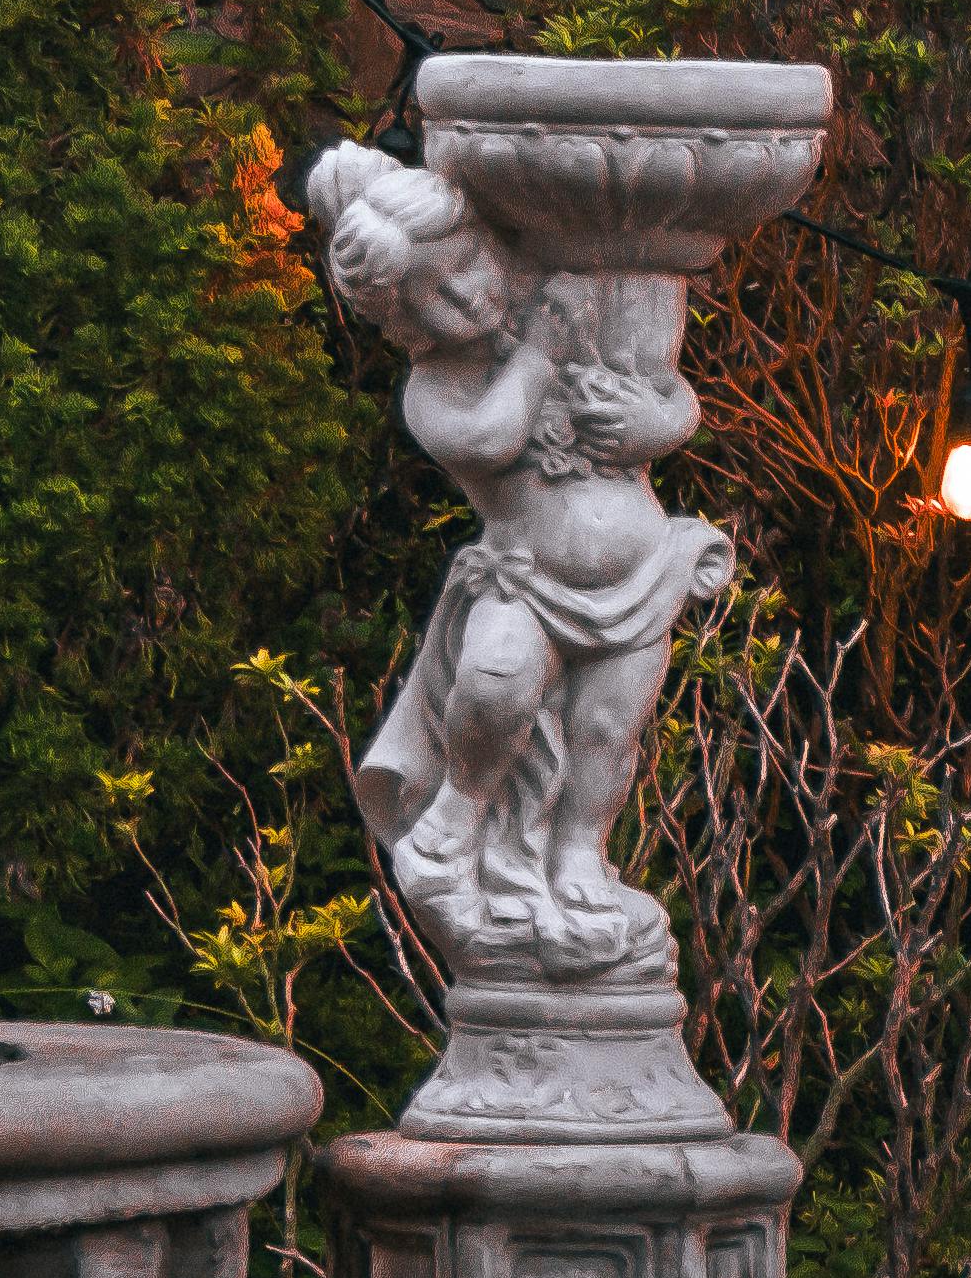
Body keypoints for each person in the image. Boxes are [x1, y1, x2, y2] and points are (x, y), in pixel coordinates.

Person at [293, 143, 718, 984]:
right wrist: (540, 352)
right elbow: (493, 438)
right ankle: (455, 825)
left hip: (638, 578)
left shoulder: (574, 302)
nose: (469, 297)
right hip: (524, 581)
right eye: (437, 300)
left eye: (470, 268)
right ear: (403, 324)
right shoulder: (435, 390)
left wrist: (652, 426)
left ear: (486, 240)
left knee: (607, 732)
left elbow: (676, 401)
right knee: (493, 685)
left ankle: (577, 862)